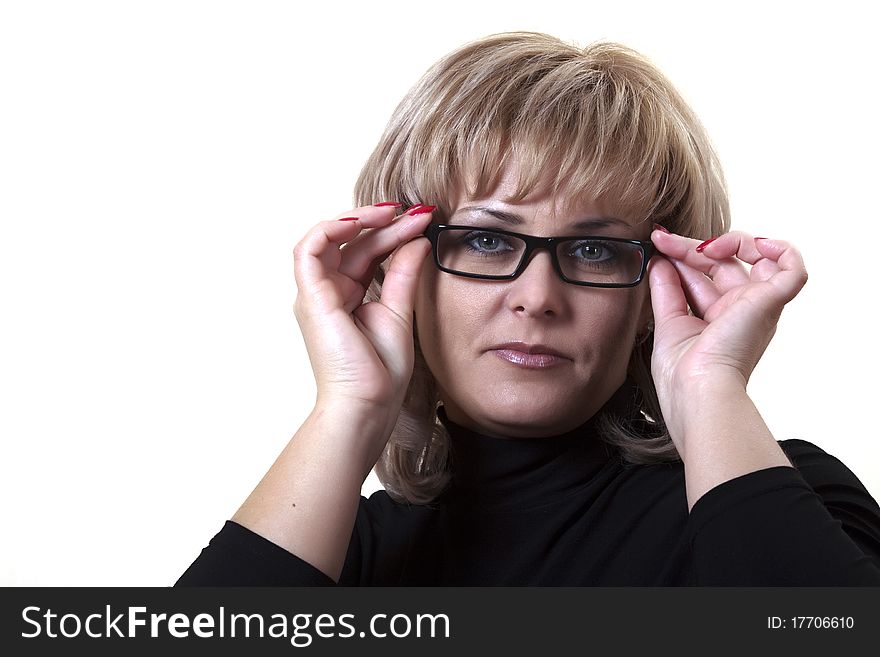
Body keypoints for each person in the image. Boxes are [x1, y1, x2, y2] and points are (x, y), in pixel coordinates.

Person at [176, 31, 880, 586]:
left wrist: (709, 387)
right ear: (401, 262)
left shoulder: (782, 495)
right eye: (487, 238)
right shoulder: (335, 550)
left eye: (597, 252)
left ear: (654, 293)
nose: (538, 298)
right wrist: (352, 404)